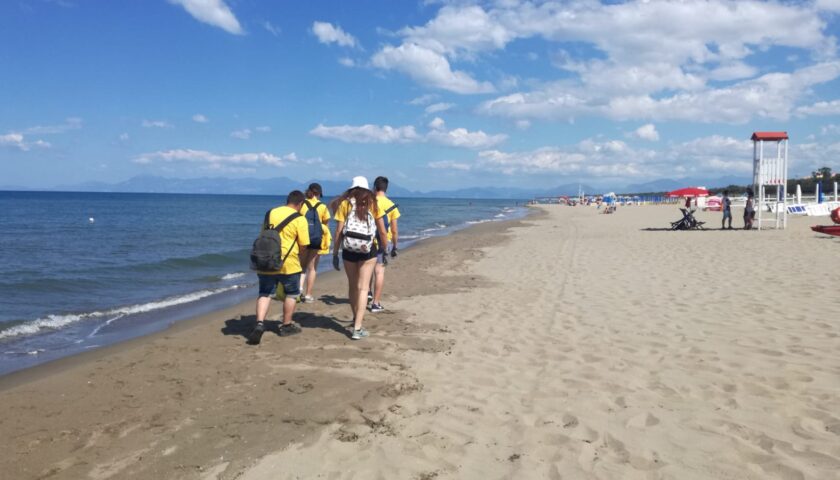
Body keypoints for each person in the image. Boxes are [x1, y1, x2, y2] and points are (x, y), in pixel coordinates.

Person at [248, 190, 310, 345]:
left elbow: (264, 234)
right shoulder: (300, 219)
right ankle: (286, 325)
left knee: (265, 292)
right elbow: (304, 244)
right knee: (291, 293)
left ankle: (260, 323)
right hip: (289, 263)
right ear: (300, 204)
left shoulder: (270, 213)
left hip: (267, 260)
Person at [330, 177, 388, 340]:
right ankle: (357, 327)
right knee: (363, 288)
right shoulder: (373, 203)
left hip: (348, 249)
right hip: (368, 249)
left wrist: (335, 253)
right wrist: (385, 248)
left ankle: (356, 317)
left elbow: (338, 232)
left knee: (353, 286)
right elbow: (382, 231)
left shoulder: (345, 204)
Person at [369, 176, 401, 313]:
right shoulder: (391, 204)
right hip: (382, 242)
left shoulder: (368, 202)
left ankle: (367, 292)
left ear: (374, 187)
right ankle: (375, 303)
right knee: (379, 271)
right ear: (385, 189)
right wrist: (394, 246)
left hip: (367, 240)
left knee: (366, 268)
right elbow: (394, 230)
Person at [298, 183, 331, 303]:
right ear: (319, 193)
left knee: (302, 266)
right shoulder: (322, 206)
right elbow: (326, 226)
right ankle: (308, 295)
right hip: (316, 240)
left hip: (303, 239)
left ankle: (299, 290)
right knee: (312, 268)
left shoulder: (302, 204)